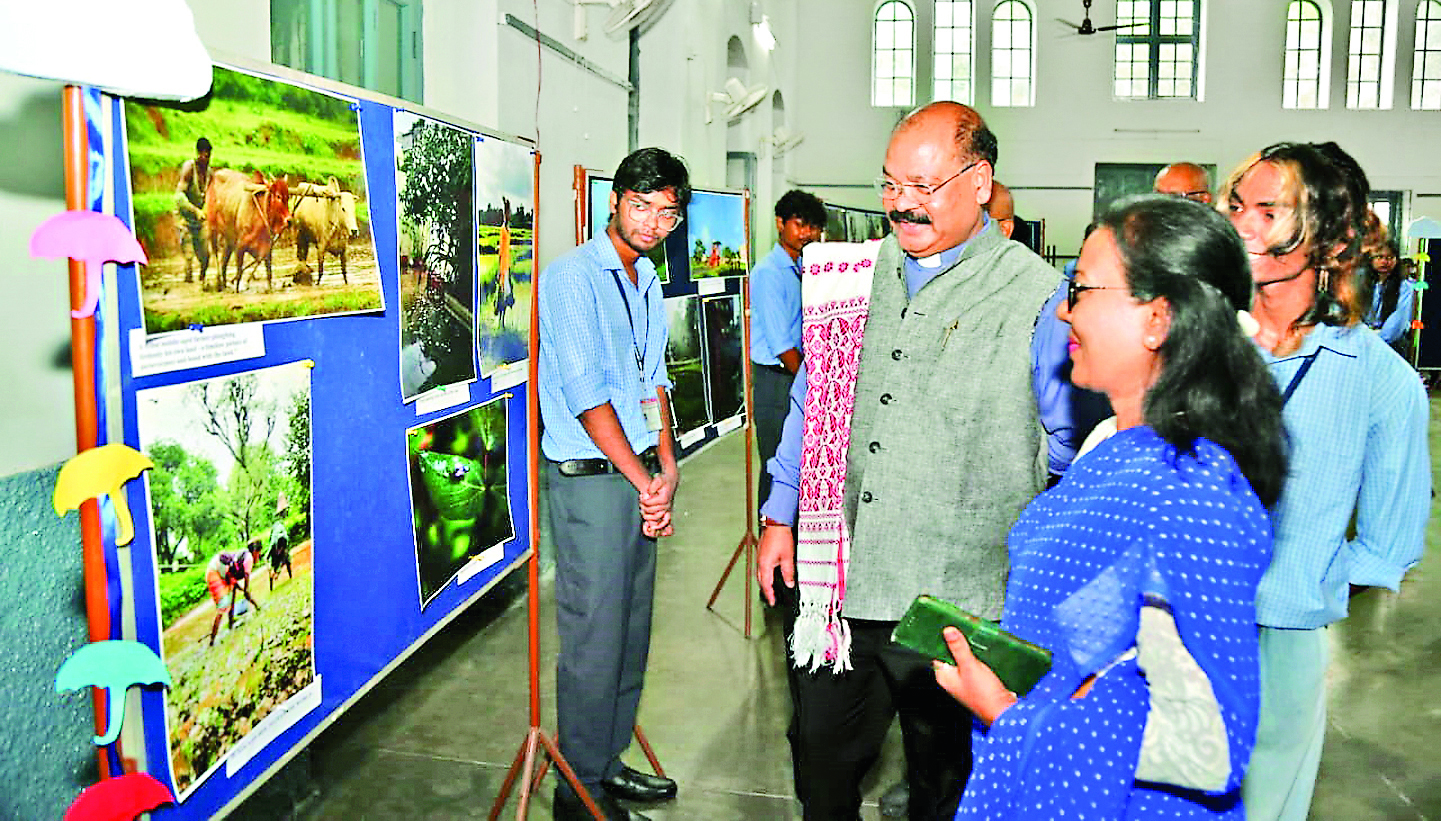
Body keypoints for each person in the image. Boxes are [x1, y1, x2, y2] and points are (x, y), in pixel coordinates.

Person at [936, 194, 1287, 819]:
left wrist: (1007, 713)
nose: (1064, 311)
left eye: (1081, 289)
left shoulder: (1193, 493)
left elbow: (1207, 747)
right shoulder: (1109, 443)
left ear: (1158, 318)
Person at [756, 101, 1060, 821]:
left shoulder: (1038, 296)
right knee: (820, 760)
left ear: (980, 182)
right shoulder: (849, 276)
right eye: (891, 184)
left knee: (943, 782)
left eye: (923, 186)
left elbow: (1069, 452)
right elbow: (811, 402)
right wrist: (779, 514)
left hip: (956, 603)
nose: (901, 204)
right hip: (841, 582)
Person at [1222, 142, 1430, 821]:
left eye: (1267, 211)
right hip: (1157, 621)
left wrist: (1298, 578)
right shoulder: (1194, 340)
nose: (1240, 225)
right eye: (1236, 206)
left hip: (1280, 640)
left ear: (1334, 241)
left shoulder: (1379, 380)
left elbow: (1388, 544)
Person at [538, 147, 689, 821]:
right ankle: (578, 793)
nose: (654, 222)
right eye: (642, 206)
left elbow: (651, 379)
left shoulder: (646, 279)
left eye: (668, 213)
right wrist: (643, 478)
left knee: (630, 634)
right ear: (615, 201)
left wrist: (667, 464)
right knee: (594, 640)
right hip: (593, 482)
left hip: (638, 474)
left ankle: (606, 762)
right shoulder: (572, 277)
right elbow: (586, 395)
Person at [750, 189, 826, 515]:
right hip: (777, 380)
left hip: (797, 373)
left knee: (798, 462)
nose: (807, 233)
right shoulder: (768, 273)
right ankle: (771, 537)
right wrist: (816, 383)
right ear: (780, 223)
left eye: (813, 227)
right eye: (800, 224)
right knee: (776, 463)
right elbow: (782, 345)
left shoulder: (803, 266)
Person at [1363, 239, 1416, 361]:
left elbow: (1398, 321)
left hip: (1391, 346)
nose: (1384, 262)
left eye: (1390, 257)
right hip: (1363, 342)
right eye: (1379, 257)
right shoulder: (1362, 284)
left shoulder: (1405, 287)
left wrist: (1375, 341)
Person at [205, 540, 262, 646]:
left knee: (231, 597)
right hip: (215, 573)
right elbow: (247, 591)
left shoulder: (243, 556)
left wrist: (244, 591)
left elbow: (236, 586)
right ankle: (212, 642)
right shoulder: (249, 559)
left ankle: (231, 624)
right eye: (259, 554)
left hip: (223, 573)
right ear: (255, 552)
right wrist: (258, 607)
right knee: (223, 605)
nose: (259, 557)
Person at [175, 136, 212, 284]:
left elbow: (210, 196)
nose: (206, 159)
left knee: (206, 256)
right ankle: (188, 281)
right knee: (189, 257)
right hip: (185, 218)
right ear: (198, 153)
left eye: (209, 156)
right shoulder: (189, 169)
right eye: (204, 155)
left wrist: (205, 209)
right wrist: (195, 210)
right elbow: (179, 196)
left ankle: (202, 282)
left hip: (200, 220)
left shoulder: (209, 174)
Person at [495, 196, 516, 329]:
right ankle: (501, 321)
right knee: (503, 294)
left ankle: (502, 321)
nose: (509, 215)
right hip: (503, 268)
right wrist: (500, 270)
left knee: (507, 293)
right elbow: (501, 252)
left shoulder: (508, 230)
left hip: (507, 267)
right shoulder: (503, 231)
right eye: (508, 213)